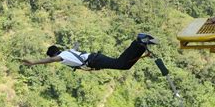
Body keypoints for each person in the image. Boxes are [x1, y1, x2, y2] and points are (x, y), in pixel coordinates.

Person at [22, 33, 158, 70]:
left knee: (119, 64)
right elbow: (75, 49)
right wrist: (75, 44)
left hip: (94, 60)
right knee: (125, 66)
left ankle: (138, 41)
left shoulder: (61, 57)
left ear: (53, 54)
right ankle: (141, 45)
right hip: (94, 60)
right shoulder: (67, 52)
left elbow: (51, 60)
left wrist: (33, 62)